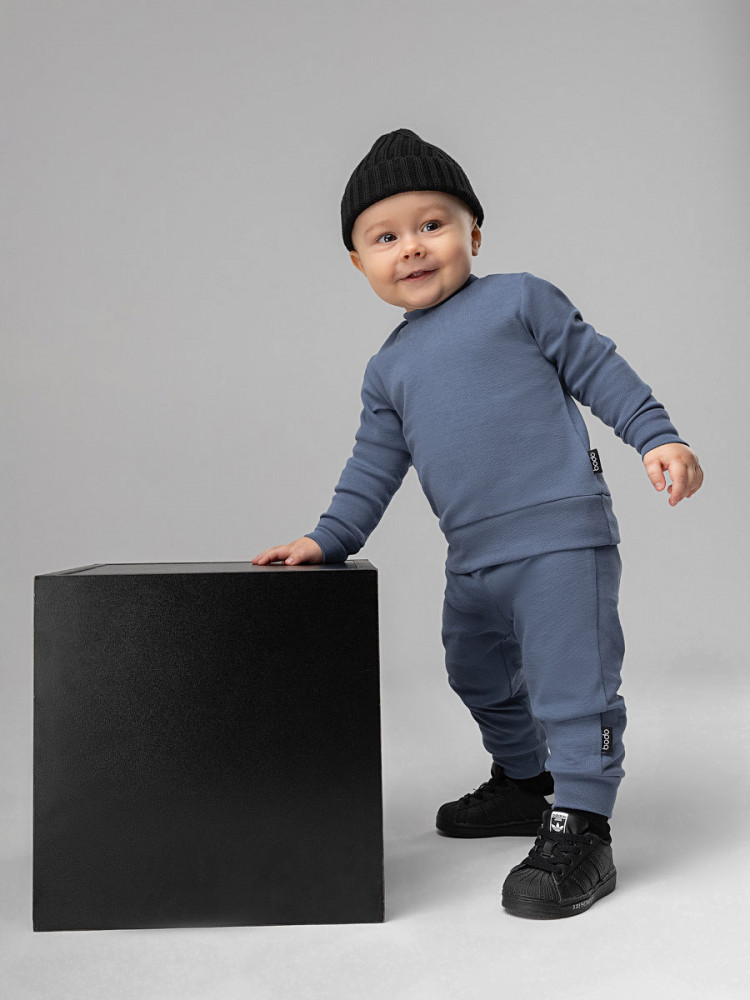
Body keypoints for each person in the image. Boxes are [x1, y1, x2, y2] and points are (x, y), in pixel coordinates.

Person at [251, 128, 704, 919]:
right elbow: (372, 467)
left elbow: (599, 367)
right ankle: (527, 783)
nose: (412, 247)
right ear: (359, 264)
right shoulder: (388, 368)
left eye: (433, 225)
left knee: (573, 687)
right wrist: (327, 538)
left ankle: (582, 824)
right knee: (474, 670)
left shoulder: (520, 300)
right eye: (385, 238)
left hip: (560, 539)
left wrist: (656, 435)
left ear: (474, 234)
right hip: (473, 557)